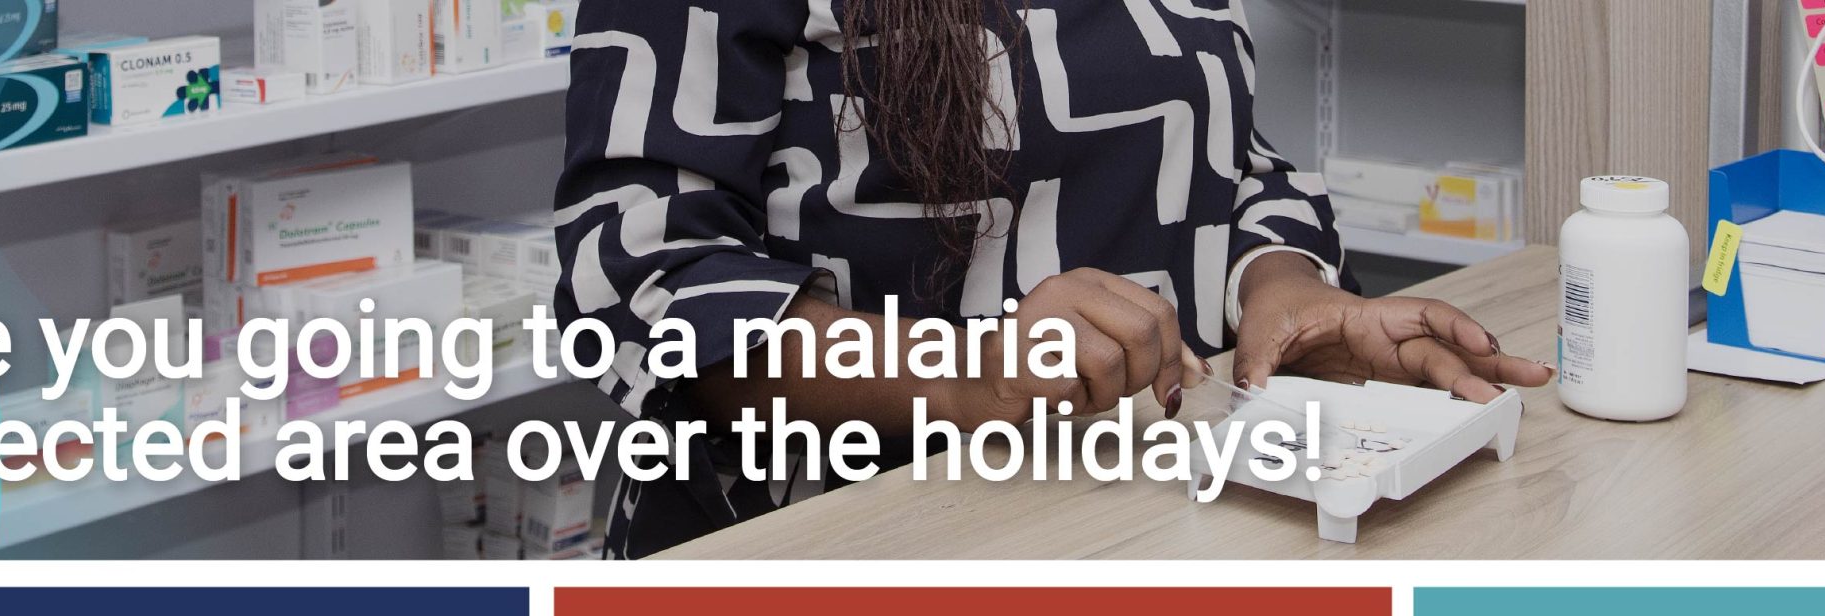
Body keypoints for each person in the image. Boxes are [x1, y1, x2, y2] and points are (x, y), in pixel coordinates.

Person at [553, 0, 1552, 558]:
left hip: (1141, 521)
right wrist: (968, 375)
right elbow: (639, 279)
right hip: (839, 541)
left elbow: (1237, 157)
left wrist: (1283, 290)